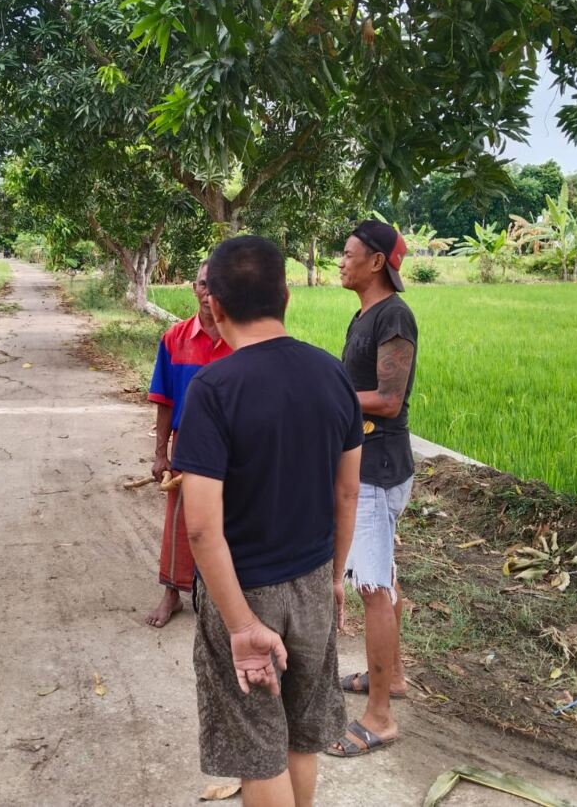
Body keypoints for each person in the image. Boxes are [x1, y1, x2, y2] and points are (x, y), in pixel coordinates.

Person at [173, 236, 362, 806]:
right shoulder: (333, 375)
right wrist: (333, 577)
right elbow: (347, 492)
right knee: (301, 740)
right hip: (311, 583)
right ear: (286, 295)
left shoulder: (213, 390)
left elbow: (202, 527)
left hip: (244, 592)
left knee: (259, 751)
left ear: (216, 306)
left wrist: (238, 626)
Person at [327, 219, 418, 758]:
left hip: (377, 471)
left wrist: (325, 393)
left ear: (376, 261)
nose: (340, 260)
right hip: (371, 463)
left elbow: (387, 399)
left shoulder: (394, 316)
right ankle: (395, 676)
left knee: (373, 588)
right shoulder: (365, 314)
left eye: (348, 252)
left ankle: (380, 718)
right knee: (383, 574)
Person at [145, 260, 232, 627]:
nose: (208, 293)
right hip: (188, 444)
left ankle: (226, 598)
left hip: (235, 444)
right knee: (180, 521)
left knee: (233, 520)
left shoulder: (241, 339)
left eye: (216, 285)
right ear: (193, 289)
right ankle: (172, 594)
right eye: (202, 284)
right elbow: (164, 402)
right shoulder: (174, 339)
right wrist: (160, 454)